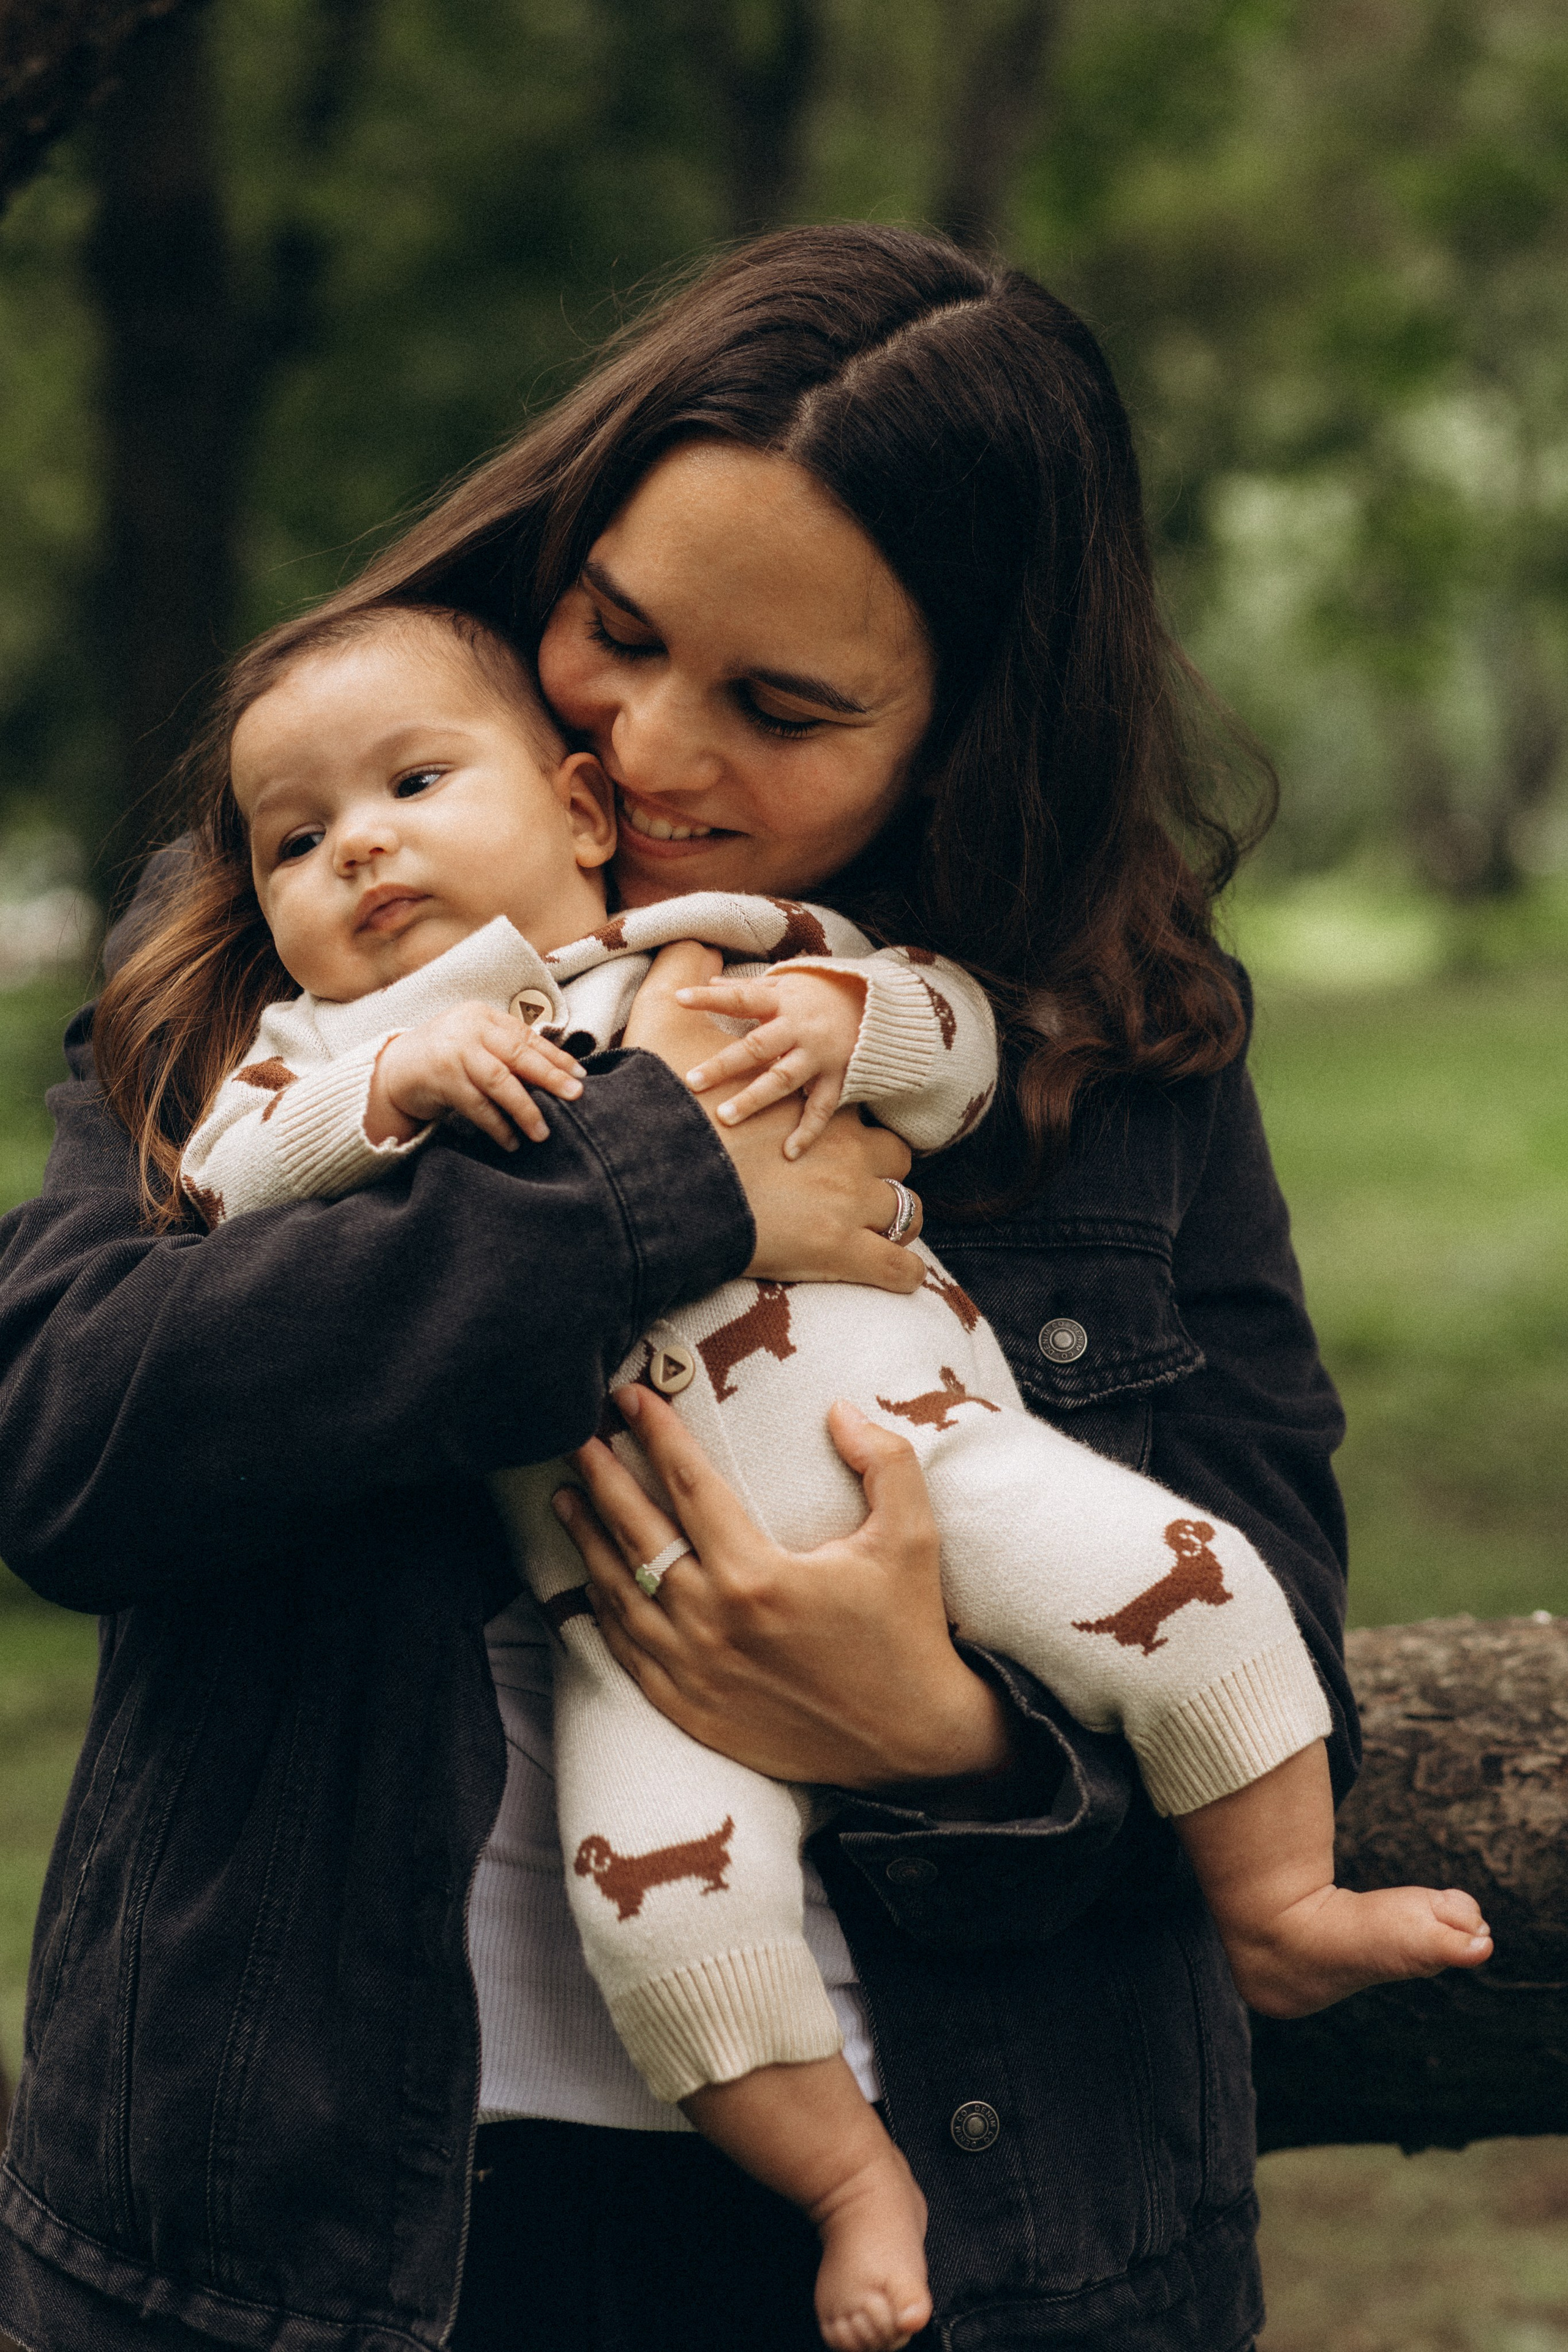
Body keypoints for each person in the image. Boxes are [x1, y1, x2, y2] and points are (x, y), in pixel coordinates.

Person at [0, 225, 1414, 2352]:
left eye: (780, 706)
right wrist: (645, 1193)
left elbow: (1260, 1614)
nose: (647, 751)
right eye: (617, 631)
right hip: (307, 2232)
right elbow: (74, 1444)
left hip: (986, 2230)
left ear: (962, 736)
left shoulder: (1084, 1028)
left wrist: (941, 1740)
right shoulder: (308, 931)